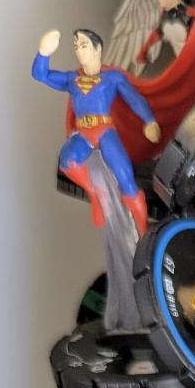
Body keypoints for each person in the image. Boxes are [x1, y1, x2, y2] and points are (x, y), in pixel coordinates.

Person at [32, 26, 159, 233]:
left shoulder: (112, 77)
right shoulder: (72, 79)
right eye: (76, 47)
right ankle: (96, 194)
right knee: (67, 161)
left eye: (84, 45)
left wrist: (150, 121)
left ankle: (144, 227)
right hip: (83, 133)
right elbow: (41, 74)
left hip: (105, 130)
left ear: (97, 49)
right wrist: (44, 52)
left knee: (125, 178)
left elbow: (134, 99)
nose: (79, 51)